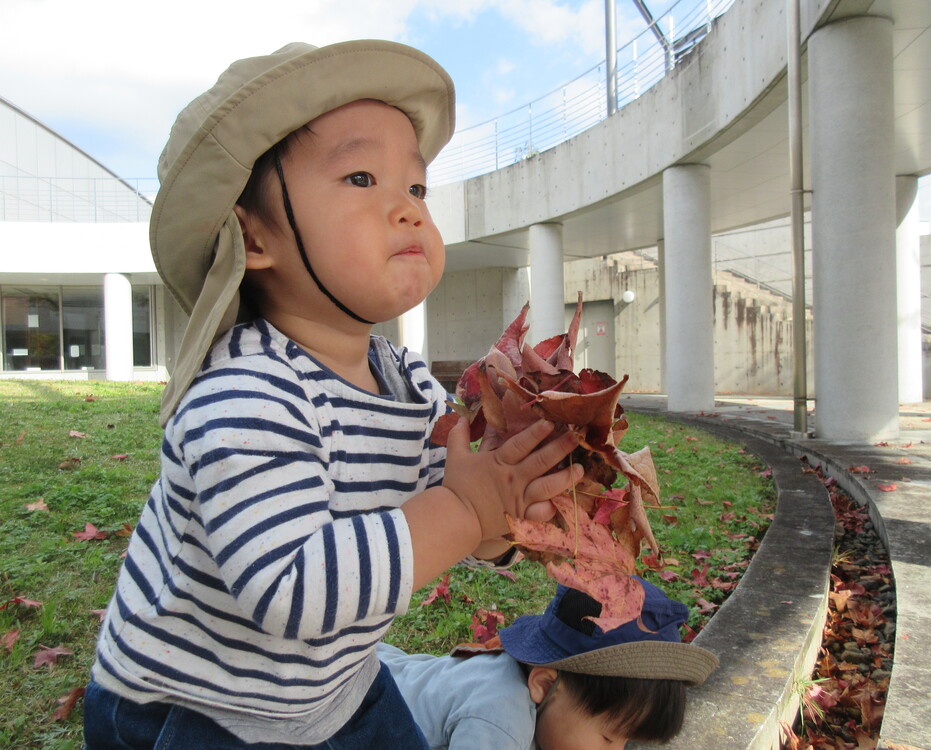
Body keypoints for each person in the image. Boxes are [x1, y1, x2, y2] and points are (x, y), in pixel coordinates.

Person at [83, 40, 582, 749]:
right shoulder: (243, 393)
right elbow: (292, 587)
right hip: (196, 709)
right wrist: (468, 510)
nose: (408, 211)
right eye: (359, 177)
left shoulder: (408, 383)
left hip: (335, 688)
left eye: (415, 189)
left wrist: (514, 508)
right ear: (252, 237)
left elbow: (463, 504)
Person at [378, 578, 719, 750]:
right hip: (341, 716)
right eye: (607, 739)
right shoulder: (499, 717)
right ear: (543, 684)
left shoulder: (529, 689)